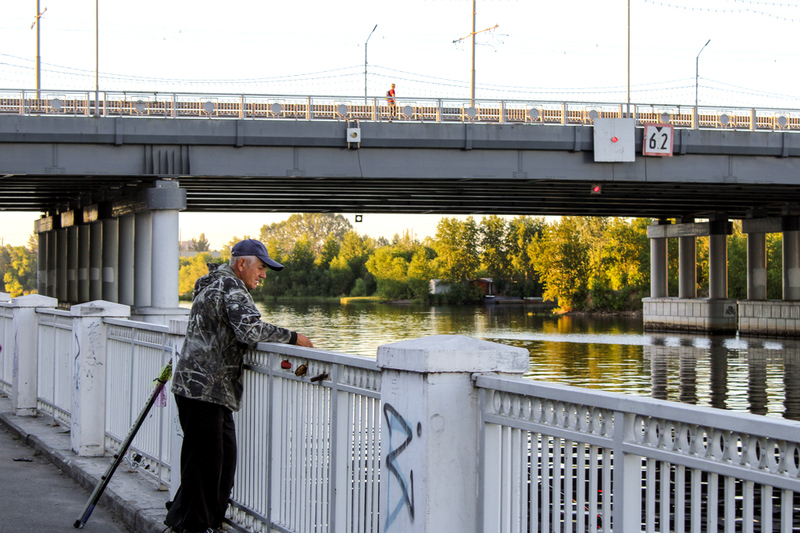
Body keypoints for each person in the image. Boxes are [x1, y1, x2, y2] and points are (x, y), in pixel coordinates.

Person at [164, 239, 314, 533]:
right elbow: (249, 330)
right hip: (205, 389)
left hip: (206, 389)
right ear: (242, 263)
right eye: (260, 267)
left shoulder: (211, 282)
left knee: (214, 462)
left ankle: (204, 522)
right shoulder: (231, 287)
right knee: (207, 465)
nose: (264, 274)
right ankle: (196, 526)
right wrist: (294, 337)